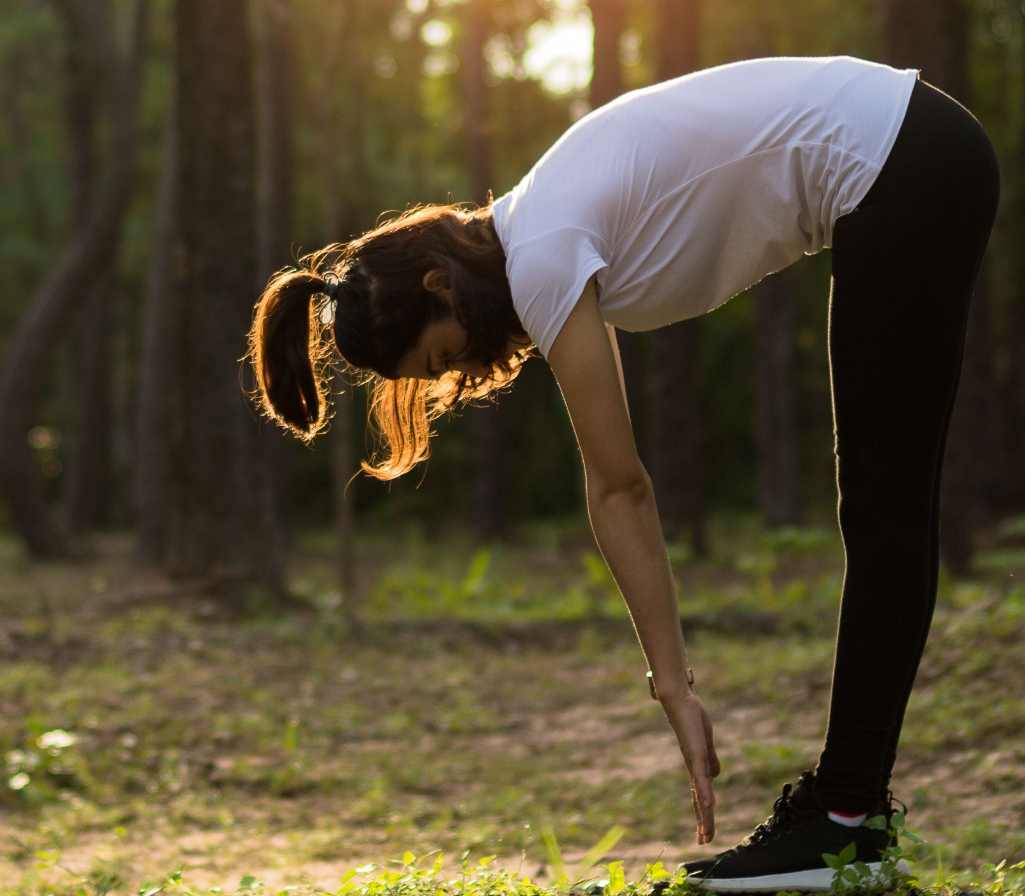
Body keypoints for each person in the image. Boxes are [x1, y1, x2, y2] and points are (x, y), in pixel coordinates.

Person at [246, 56, 999, 892]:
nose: (468, 373)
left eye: (447, 353)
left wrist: (672, 687)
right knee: (885, 505)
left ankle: (848, 818)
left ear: (439, 282)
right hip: (903, 154)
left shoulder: (542, 249)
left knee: (885, 508)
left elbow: (618, 486)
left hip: (902, 160)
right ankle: (850, 812)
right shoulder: (540, 225)